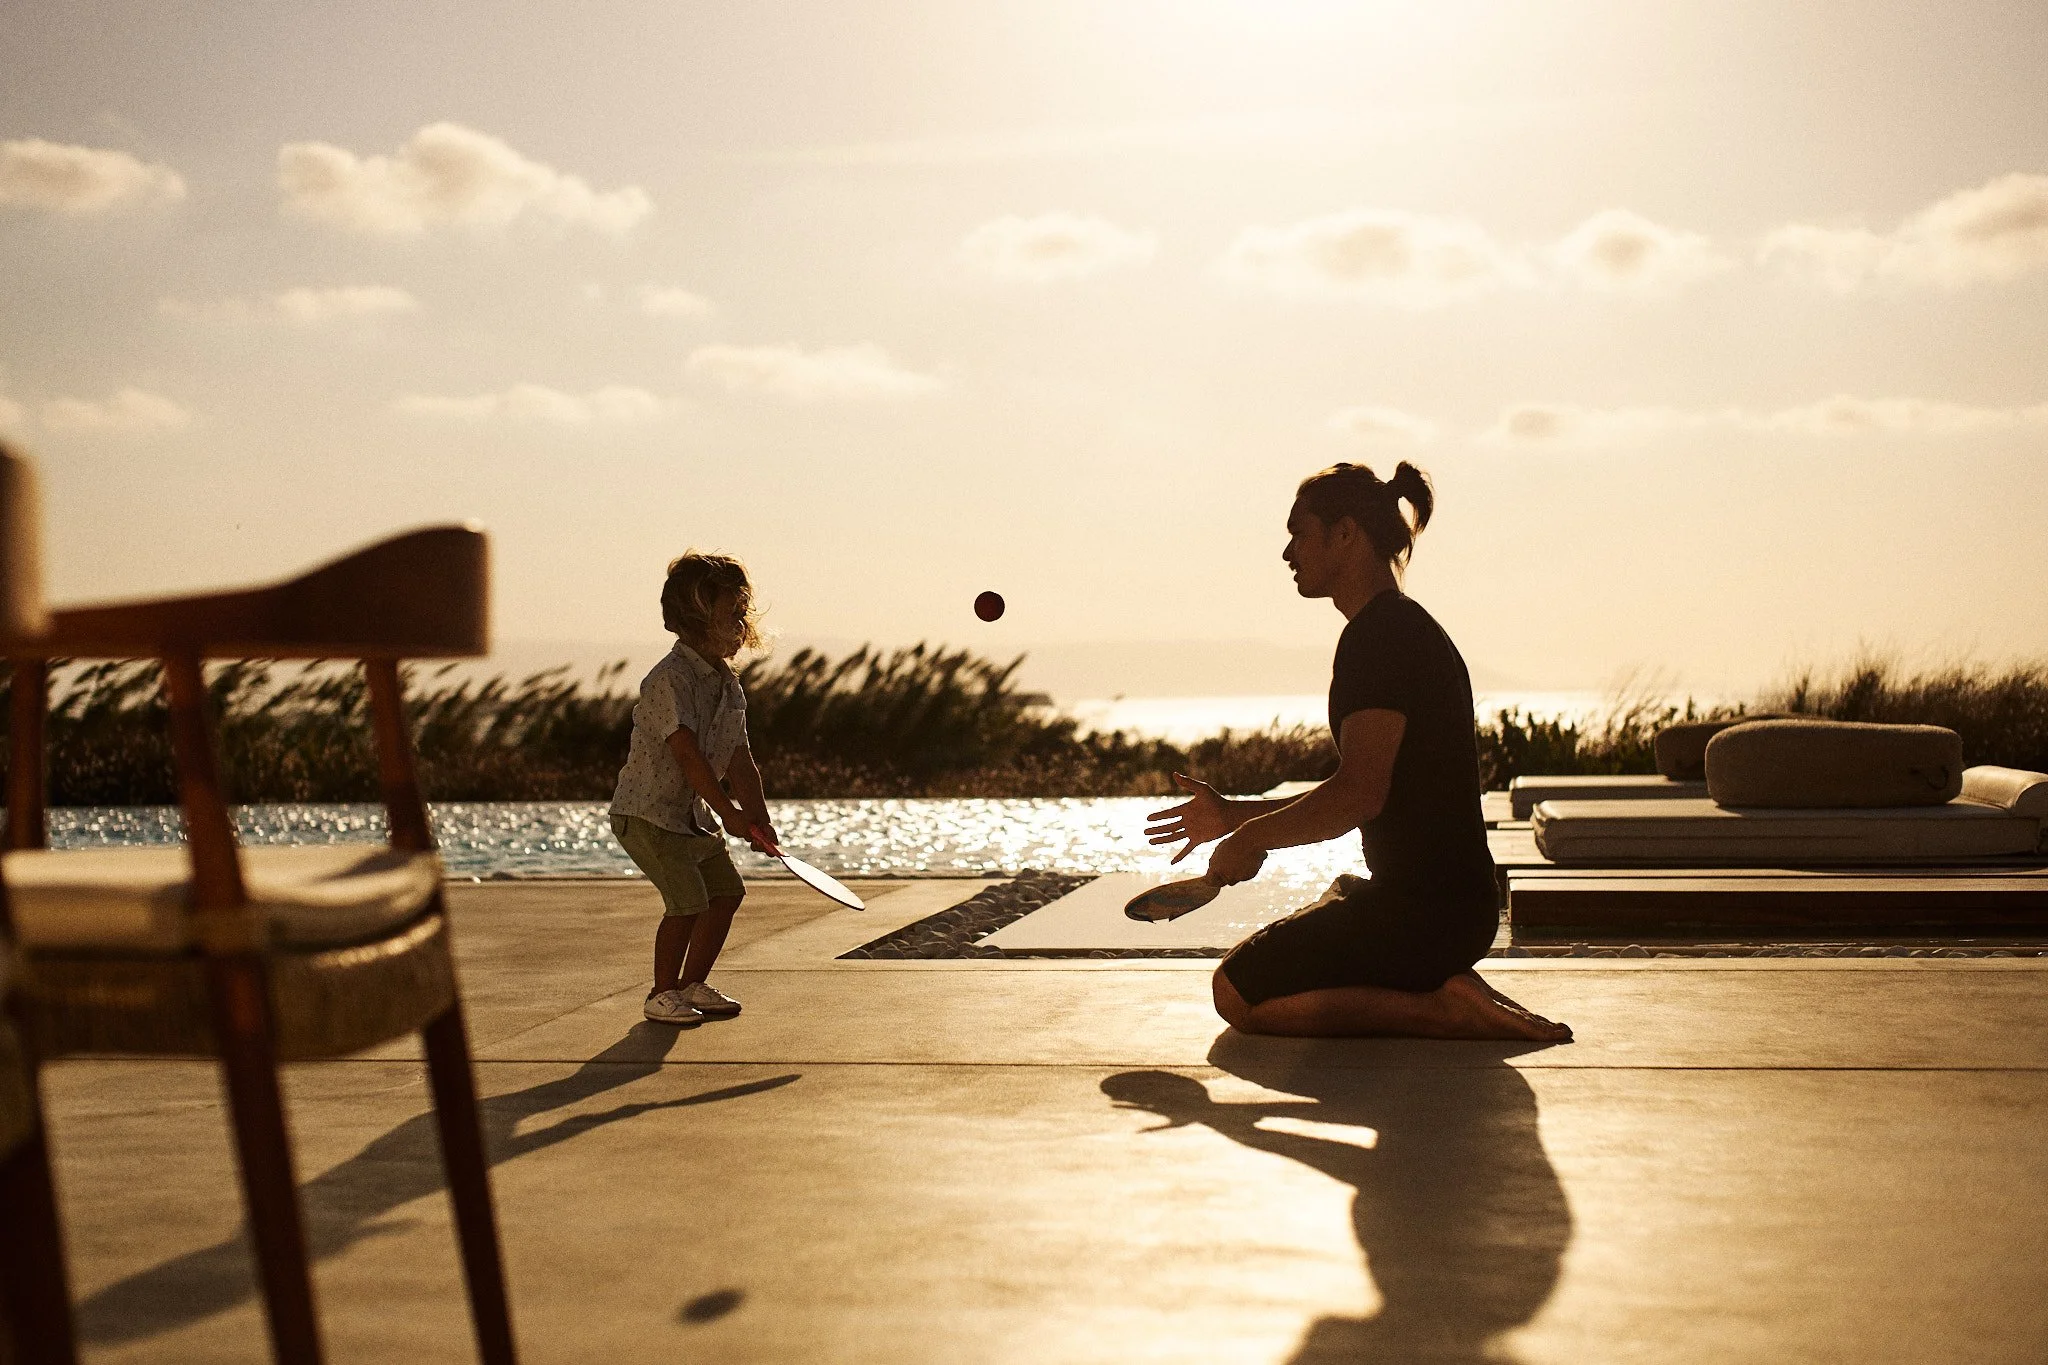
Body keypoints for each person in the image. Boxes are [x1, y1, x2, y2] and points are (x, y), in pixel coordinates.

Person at [1146, 462, 1571, 1042]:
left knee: (1237, 993)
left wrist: (1250, 839)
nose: (1287, 551)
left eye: (1299, 531)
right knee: (1335, 899)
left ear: (1345, 533)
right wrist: (1232, 815)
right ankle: (1442, 983)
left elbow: (1358, 796)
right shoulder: (1397, 628)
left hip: (1427, 913)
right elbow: (1366, 786)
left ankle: (1444, 1007)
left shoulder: (1379, 638)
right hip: (1449, 908)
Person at [610, 552, 777, 1024]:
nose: (742, 626)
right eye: (732, 615)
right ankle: (661, 994)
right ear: (698, 618)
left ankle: (692, 986)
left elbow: (738, 757)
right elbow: (690, 760)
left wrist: (757, 814)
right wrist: (729, 813)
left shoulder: (727, 685)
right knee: (687, 902)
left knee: (726, 892)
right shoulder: (670, 680)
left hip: (688, 818)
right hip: (648, 815)